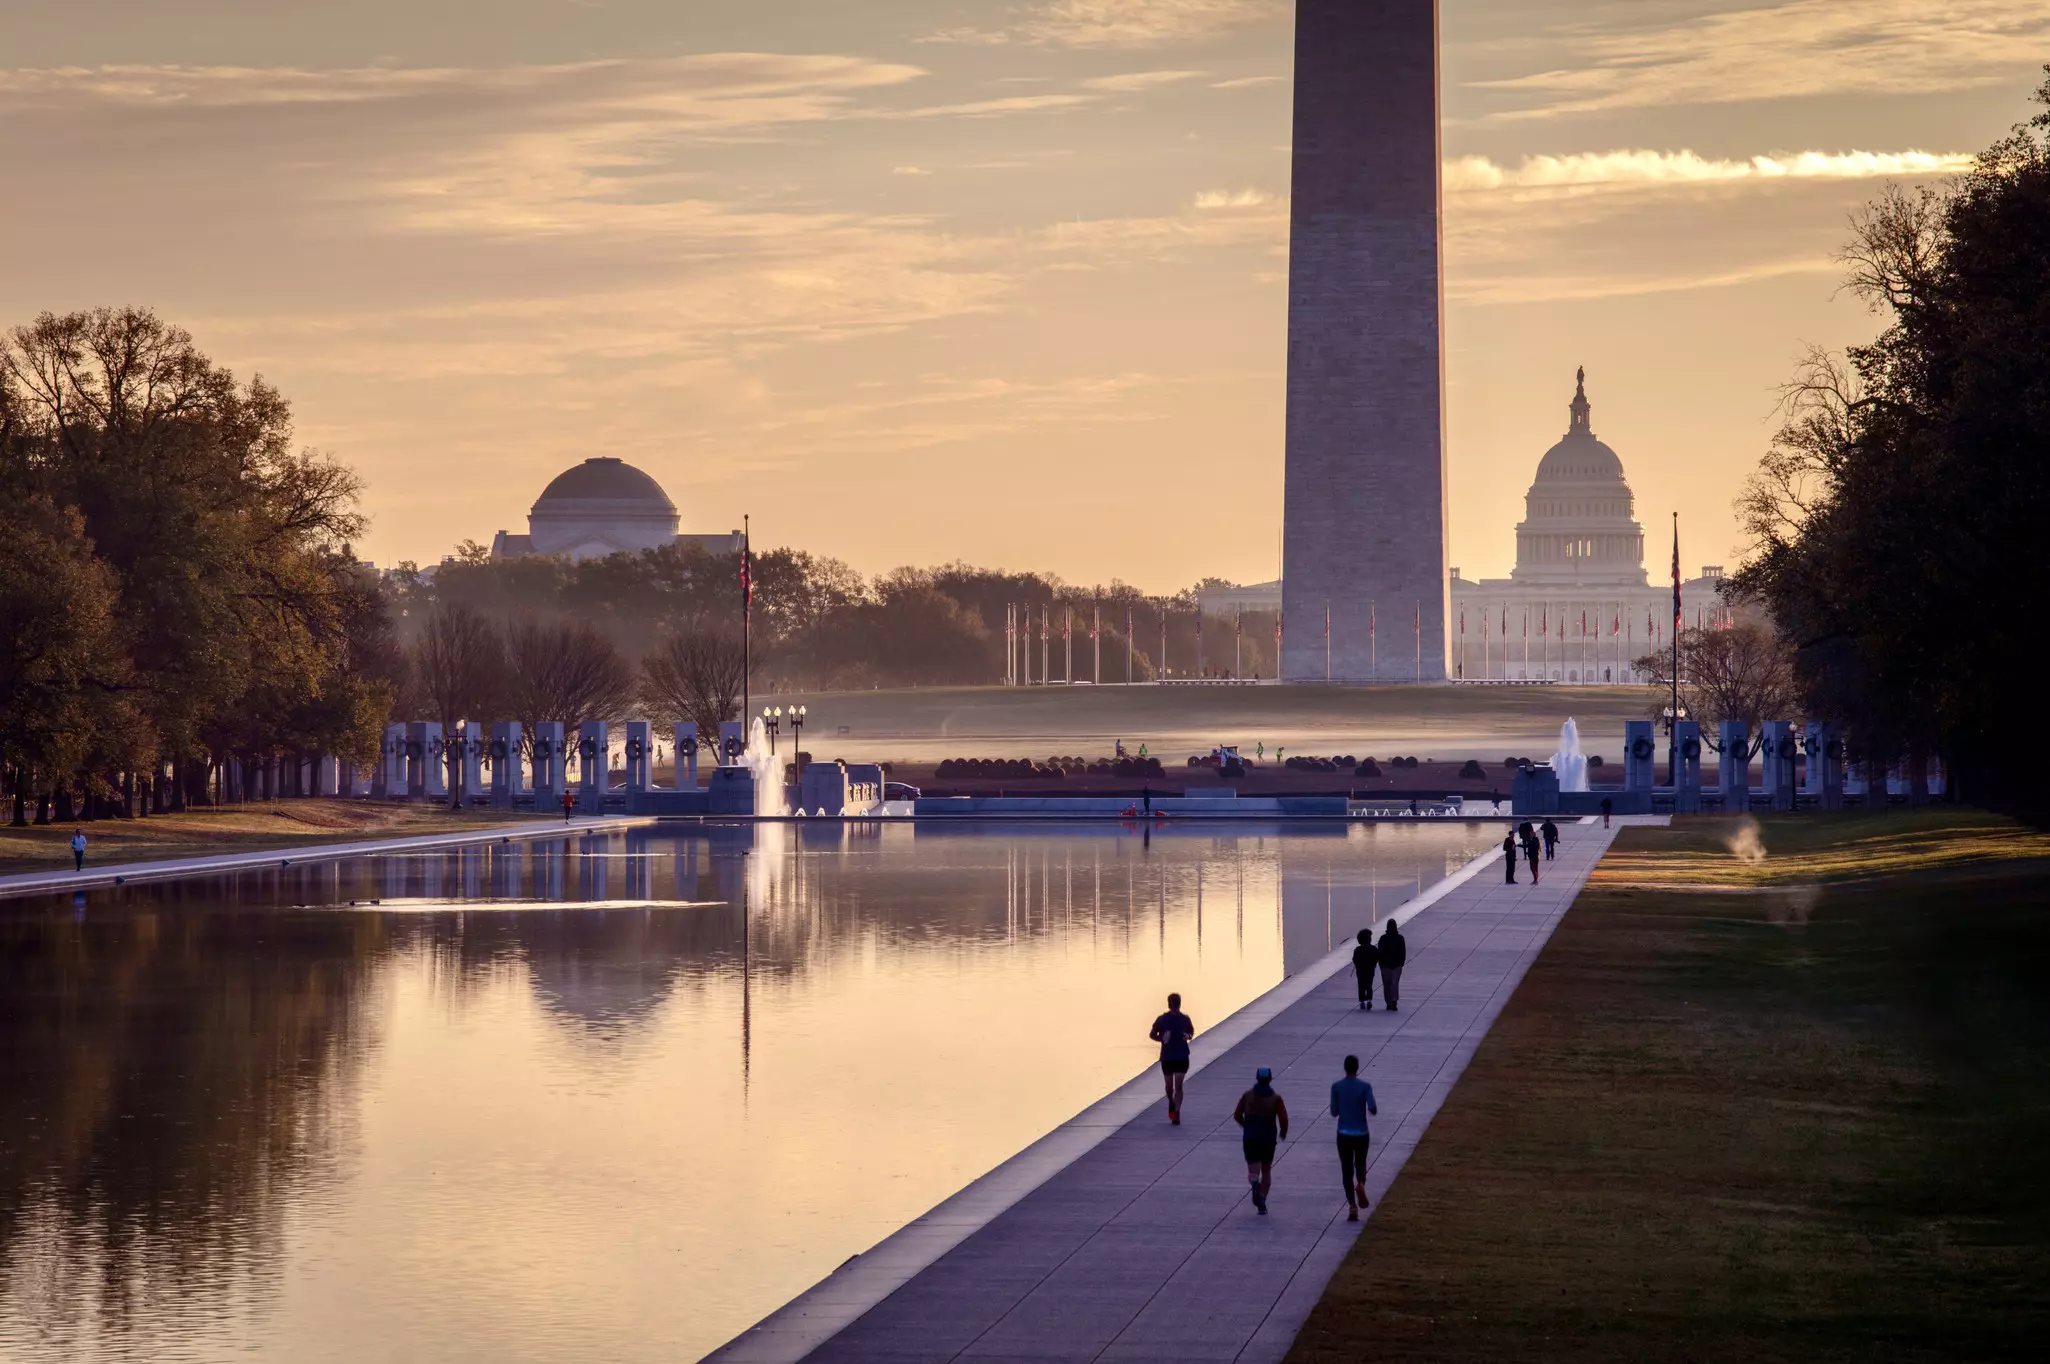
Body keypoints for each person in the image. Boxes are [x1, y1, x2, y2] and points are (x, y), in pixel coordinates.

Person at [1232, 1067, 1289, 1214]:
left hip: (1251, 1137)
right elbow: (1283, 1119)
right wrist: (1283, 1131)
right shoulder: (1276, 1098)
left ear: (1257, 1078)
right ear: (1270, 1079)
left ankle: (1254, 1182)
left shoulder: (1247, 1096)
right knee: (1266, 1169)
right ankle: (1262, 1199)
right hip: (1268, 1138)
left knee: (1253, 1168)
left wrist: (1246, 1125)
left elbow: (1237, 1114)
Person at [1330, 1055, 1379, 1221]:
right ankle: (1361, 1184)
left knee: (1346, 1169)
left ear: (1345, 1067)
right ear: (1357, 1068)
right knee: (1361, 1163)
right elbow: (1372, 1107)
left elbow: (1334, 1112)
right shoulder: (1365, 1087)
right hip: (1361, 1133)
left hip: (1343, 1133)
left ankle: (1352, 1206)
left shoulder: (1336, 1087)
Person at [1150, 993, 1196, 1124]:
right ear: (1170, 1004)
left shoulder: (1185, 1019)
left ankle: (1177, 1112)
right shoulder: (1162, 1019)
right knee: (1169, 1087)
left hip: (1181, 1056)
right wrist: (1162, 1038)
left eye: (1177, 1004)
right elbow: (1152, 1034)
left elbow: (1191, 1032)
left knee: (1179, 1085)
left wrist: (1187, 1036)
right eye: (1174, 1004)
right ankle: (1171, 1101)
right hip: (1167, 1057)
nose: (1175, 1007)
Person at [1378, 919, 1407, 1010]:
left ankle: (1389, 1002)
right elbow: (1403, 952)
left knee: (1387, 985)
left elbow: (1380, 952)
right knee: (1394, 984)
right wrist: (1401, 963)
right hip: (1394, 965)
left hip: (1387, 965)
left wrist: (1381, 964)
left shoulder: (1383, 939)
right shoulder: (1400, 938)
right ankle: (1393, 1001)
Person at [1351, 929, 1379, 1010]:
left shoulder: (1357, 950)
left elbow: (1355, 959)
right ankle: (1369, 1000)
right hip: (1370, 970)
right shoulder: (1373, 949)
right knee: (1369, 985)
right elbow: (1377, 958)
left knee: (1361, 986)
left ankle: (1362, 1001)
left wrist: (1358, 965)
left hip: (1360, 971)